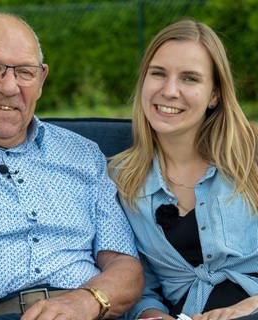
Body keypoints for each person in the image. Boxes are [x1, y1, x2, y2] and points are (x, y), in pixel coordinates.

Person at [0, 12, 144, 320]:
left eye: (24, 72)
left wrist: (87, 302)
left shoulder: (84, 155)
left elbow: (125, 267)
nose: (9, 86)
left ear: (41, 80)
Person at [109, 19, 258, 320]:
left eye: (190, 78)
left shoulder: (250, 160)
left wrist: (249, 307)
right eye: (158, 74)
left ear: (215, 94)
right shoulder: (119, 178)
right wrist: (150, 315)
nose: (170, 90)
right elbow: (136, 278)